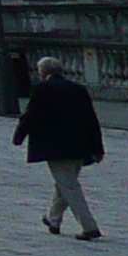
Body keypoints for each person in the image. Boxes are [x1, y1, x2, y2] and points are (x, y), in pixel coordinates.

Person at [15, 54, 105, 240]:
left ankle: (89, 226)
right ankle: (53, 220)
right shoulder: (78, 89)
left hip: (56, 147)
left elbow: (31, 115)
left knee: (69, 187)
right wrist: (97, 148)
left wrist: (19, 135)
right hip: (80, 146)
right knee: (64, 184)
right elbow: (91, 119)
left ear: (43, 72)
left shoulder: (42, 89)